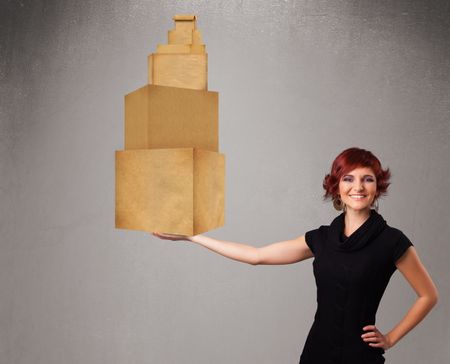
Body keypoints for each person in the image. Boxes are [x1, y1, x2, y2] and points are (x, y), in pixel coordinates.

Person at [152, 147, 439, 364]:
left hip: (359, 356)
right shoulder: (321, 238)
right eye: (349, 178)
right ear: (337, 186)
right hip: (316, 351)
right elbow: (256, 255)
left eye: (368, 179)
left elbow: (429, 295)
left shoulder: (392, 241)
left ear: (378, 188)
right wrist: (192, 236)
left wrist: (390, 338)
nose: (358, 187)